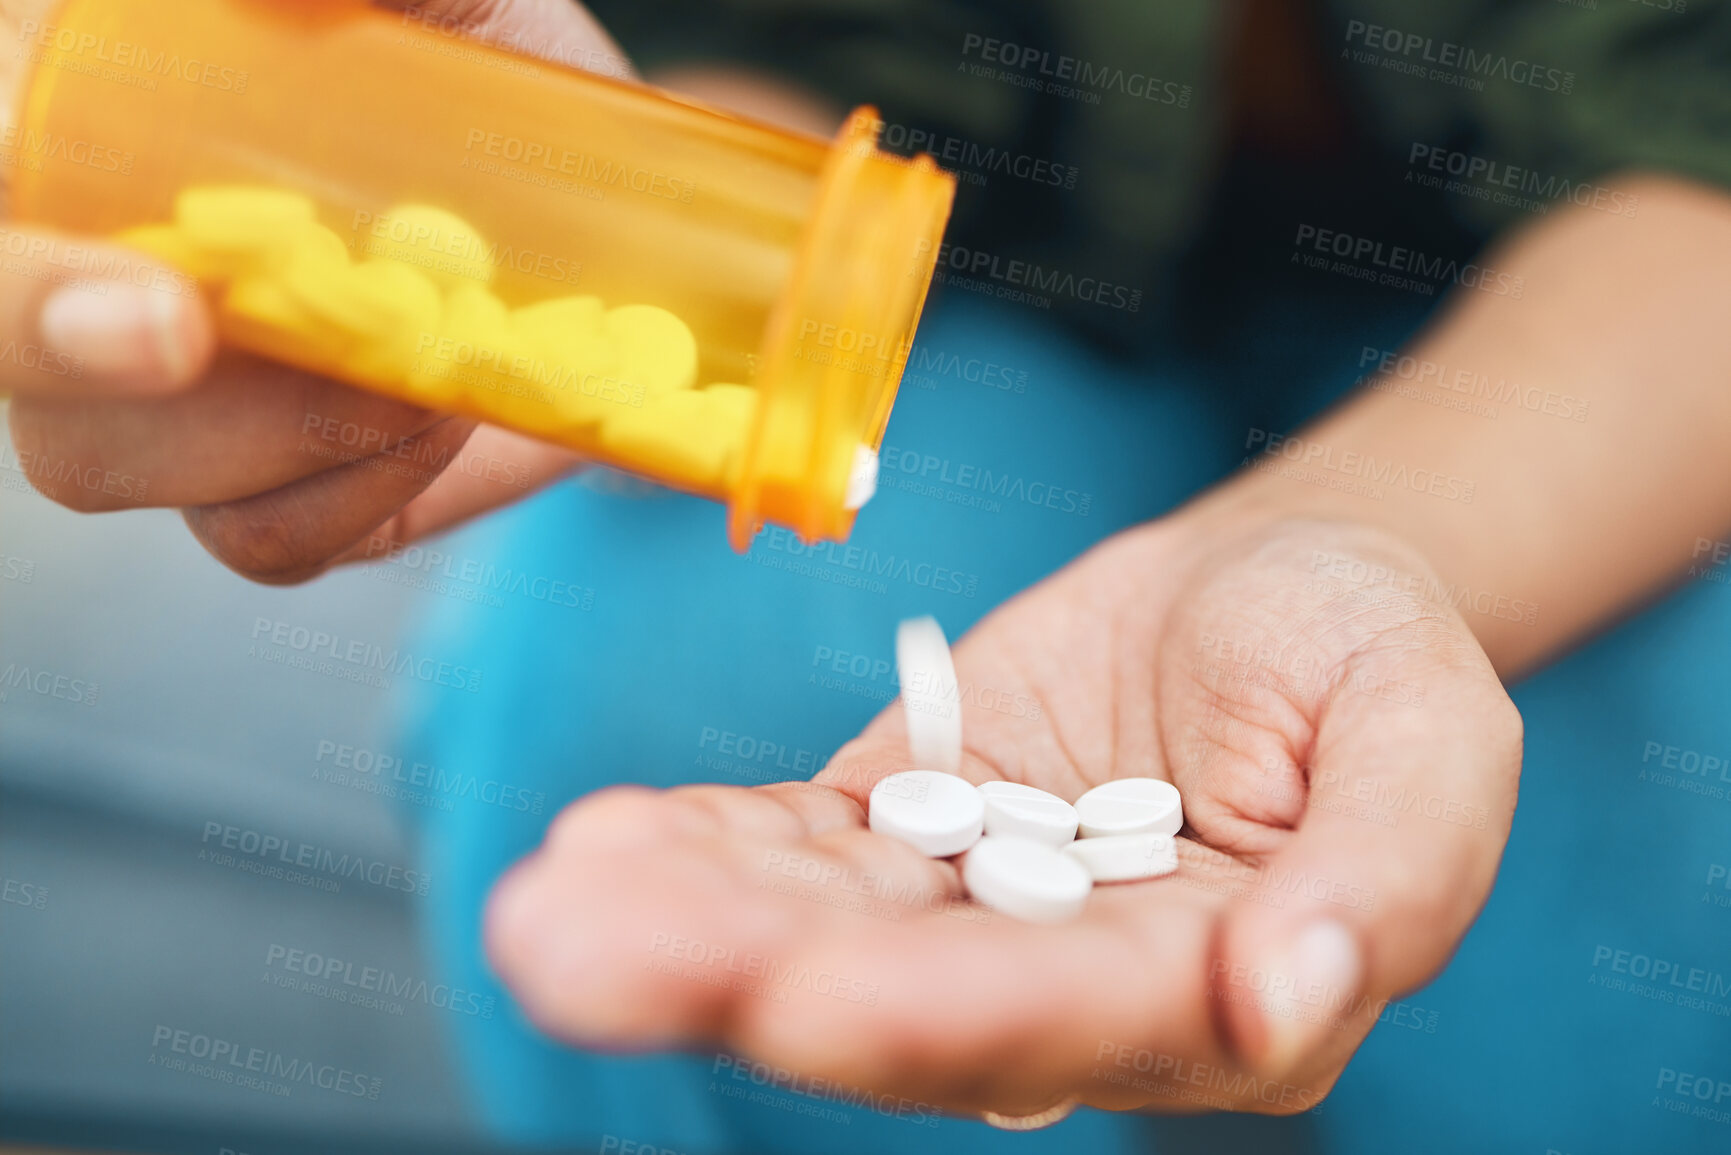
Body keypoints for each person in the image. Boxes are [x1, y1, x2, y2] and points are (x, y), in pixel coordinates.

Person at [5, 0, 1728, 1150]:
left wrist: (1368, 538)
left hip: (1638, 321)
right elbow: (793, 38)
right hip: (965, 250)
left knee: (1636, 826)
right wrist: (536, 228)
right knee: (643, 695)